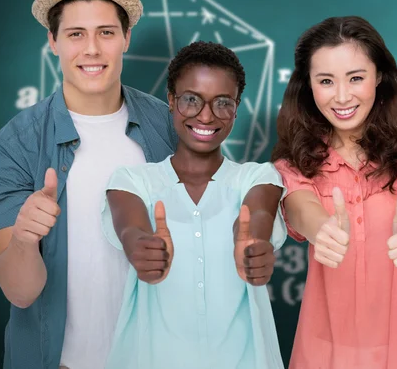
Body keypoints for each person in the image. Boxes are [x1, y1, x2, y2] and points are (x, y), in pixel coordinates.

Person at [0, 0, 177, 369]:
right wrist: (22, 238)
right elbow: (20, 293)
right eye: (75, 34)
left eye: (105, 32)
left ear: (126, 37)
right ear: (52, 41)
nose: (91, 49)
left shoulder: (169, 125)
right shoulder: (15, 144)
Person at [271, 16, 397, 369]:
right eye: (326, 81)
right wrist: (321, 229)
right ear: (308, 86)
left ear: (379, 78)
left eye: (356, 78)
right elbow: (300, 205)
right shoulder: (295, 162)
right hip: (329, 351)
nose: (342, 96)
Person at [102, 41, 286, 369]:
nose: (206, 116)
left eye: (222, 103)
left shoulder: (256, 176)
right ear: (171, 100)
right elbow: (130, 228)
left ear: (237, 107)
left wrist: (254, 243)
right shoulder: (133, 181)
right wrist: (142, 247)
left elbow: (258, 212)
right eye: (191, 99)